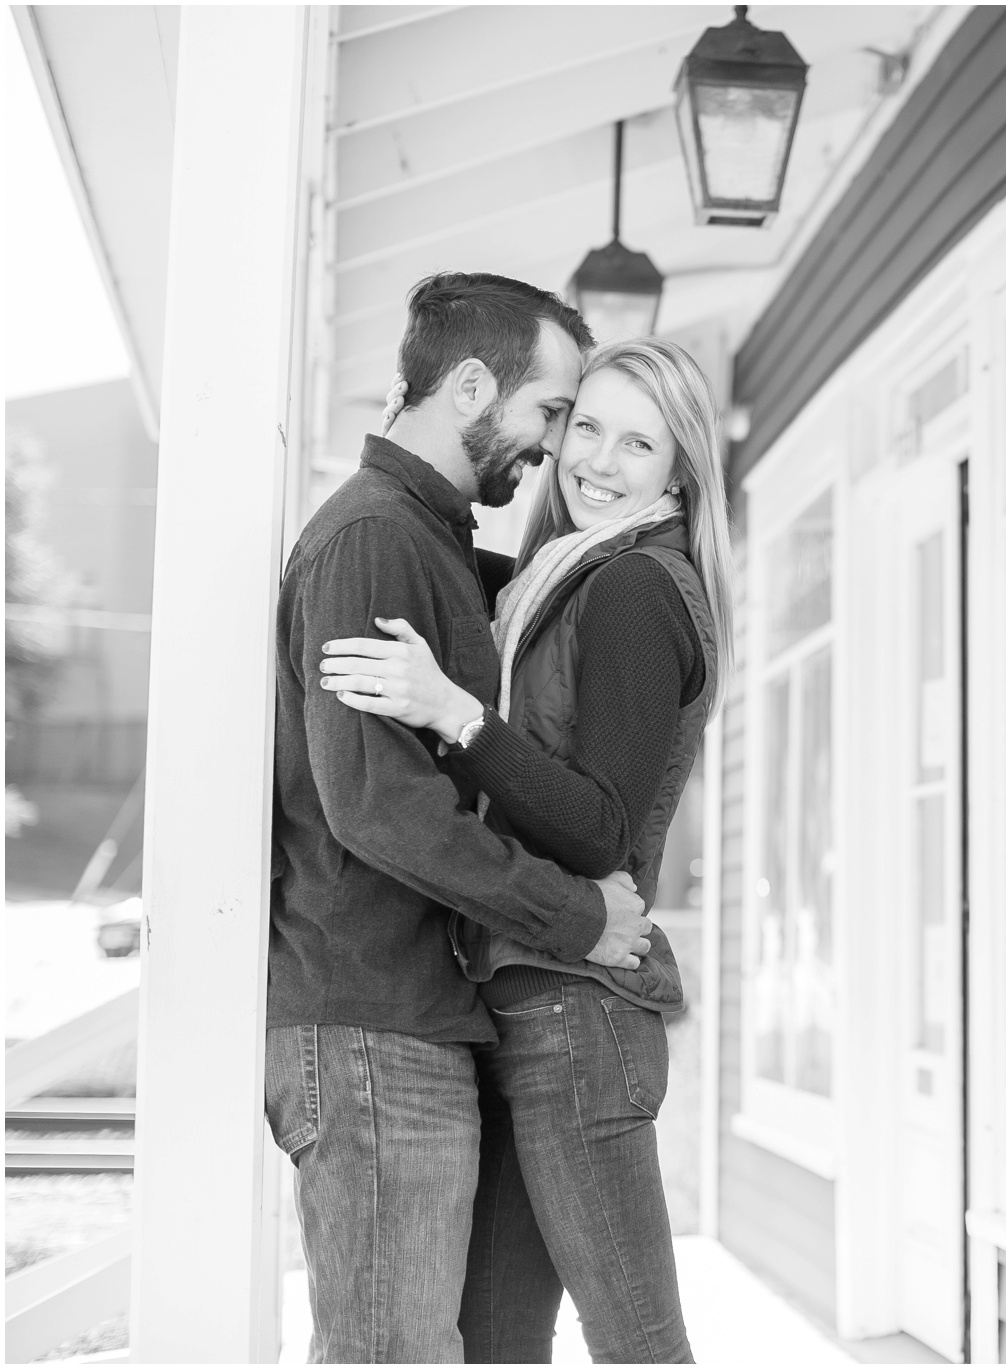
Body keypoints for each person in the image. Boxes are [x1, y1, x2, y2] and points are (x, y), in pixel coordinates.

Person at [317, 337, 733, 1363]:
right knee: (497, 1342)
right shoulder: (562, 575)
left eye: (638, 442)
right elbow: (462, 582)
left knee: (638, 1345)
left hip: (577, 1016)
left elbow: (596, 824)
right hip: (517, 1007)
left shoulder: (636, 584)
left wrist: (454, 712)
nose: (597, 458)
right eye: (583, 424)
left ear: (677, 469)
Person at [268, 273, 657, 1363]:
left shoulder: (434, 541)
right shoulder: (372, 540)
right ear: (472, 385)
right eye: (551, 414)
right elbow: (380, 809)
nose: (554, 447)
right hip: (369, 1023)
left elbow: (538, 599)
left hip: (413, 1021)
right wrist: (573, 914)